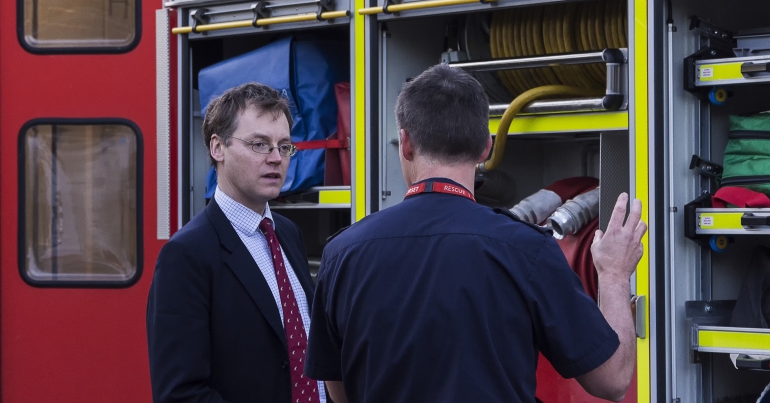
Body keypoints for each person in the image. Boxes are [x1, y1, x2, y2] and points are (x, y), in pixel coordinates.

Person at [305, 64, 646, 403]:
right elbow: (612, 380)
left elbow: (340, 392)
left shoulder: (342, 253)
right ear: (486, 147)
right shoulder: (528, 250)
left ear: (406, 143)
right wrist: (614, 275)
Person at [147, 82, 326, 403]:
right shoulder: (186, 255)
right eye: (259, 144)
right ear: (218, 148)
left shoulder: (287, 233)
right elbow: (180, 393)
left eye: (284, 146)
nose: (276, 158)